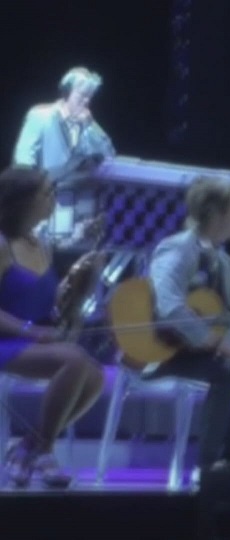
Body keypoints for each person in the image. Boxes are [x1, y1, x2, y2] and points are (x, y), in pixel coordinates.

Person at [145, 175, 230, 480]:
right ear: (216, 213)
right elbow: (169, 307)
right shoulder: (177, 249)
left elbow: (221, 317)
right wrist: (223, 348)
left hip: (201, 351)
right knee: (227, 371)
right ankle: (207, 465)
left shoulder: (225, 262)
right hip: (167, 351)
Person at [0, 166, 104, 488]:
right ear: (23, 201)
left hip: (34, 340)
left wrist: (82, 283)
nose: (53, 199)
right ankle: (43, 451)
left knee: (95, 375)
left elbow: (51, 305)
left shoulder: (41, 244)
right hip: (8, 340)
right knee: (74, 360)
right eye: (46, 193)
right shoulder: (2, 245)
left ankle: (27, 447)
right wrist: (31, 331)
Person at [13, 66, 116, 178]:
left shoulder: (87, 124)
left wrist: (91, 126)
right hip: (47, 186)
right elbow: (23, 160)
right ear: (67, 92)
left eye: (89, 97)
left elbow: (109, 156)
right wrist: (33, 185)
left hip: (80, 187)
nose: (86, 101)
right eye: (82, 95)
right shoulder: (41, 116)